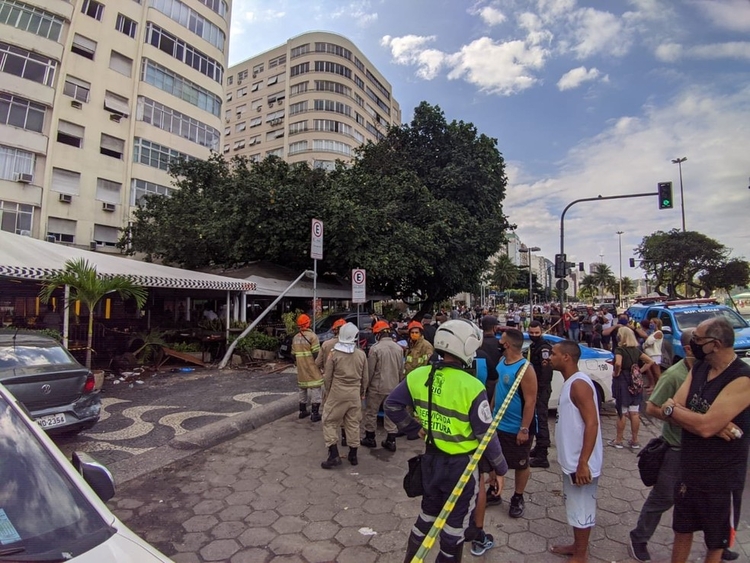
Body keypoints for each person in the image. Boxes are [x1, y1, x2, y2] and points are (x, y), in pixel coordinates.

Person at [385, 319, 508, 563]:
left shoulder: (419, 375)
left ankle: (411, 558)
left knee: (427, 515)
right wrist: (500, 468)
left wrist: (414, 428)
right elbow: (486, 434)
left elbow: (391, 405)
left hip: (430, 462)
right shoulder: (472, 386)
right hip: (462, 469)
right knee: (455, 526)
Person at [627, 329, 736, 562]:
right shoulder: (675, 376)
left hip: (708, 451)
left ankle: (718, 542)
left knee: (713, 501)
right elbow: (653, 408)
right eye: (697, 343)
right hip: (677, 448)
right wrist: (687, 419)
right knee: (664, 497)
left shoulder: (718, 374)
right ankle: (639, 537)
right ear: (689, 349)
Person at [661, 318, 750, 563]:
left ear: (716, 344)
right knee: (682, 529)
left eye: (698, 340)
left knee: (715, 541)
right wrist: (680, 413)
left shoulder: (742, 378)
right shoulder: (700, 367)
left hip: (721, 478)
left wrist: (684, 415)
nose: (693, 344)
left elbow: (704, 427)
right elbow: (669, 408)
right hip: (690, 470)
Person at [549, 339, 604, 563]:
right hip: (571, 460)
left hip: (581, 463)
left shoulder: (579, 385)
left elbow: (592, 424)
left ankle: (581, 555)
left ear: (566, 357)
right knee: (574, 506)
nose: (549, 357)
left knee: (582, 507)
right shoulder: (570, 382)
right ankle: (576, 546)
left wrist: (583, 462)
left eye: (553, 354)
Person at [492, 328, 537, 518]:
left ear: (507, 344)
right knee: (493, 460)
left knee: (520, 463)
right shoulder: (502, 361)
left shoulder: (525, 369)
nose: (498, 342)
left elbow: (531, 401)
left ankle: (518, 497)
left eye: (501, 340)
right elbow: (498, 387)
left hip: (516, 428)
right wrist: (491, 410)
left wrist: (524, 429)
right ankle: (495, 491)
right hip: (497, 424)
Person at [321, 323, 368, 469]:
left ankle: (334, 455)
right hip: (354, 394)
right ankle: (353, 455)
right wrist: (362, 393)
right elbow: (365, 378)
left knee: (328, 421)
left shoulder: (334, 354)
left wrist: (328, 393)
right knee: (353, 423)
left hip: (337, 392)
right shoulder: (361, 354)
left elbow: (327, 377)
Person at [361, 320, 404, 452]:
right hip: (394, 387)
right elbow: (401, 370)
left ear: (378, 334)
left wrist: (365, 388)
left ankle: (370, 438)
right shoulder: (399, 348)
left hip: (377, 387)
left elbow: (370, 371)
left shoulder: (375, 349)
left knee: (371, 413)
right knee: (390, 413)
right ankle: (391, 440)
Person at [609, 327, 653, 449]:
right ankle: (635, 440)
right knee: (634, 412)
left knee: (621, 411)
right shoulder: (636, 350)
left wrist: (616, 372)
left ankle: (618, 440)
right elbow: (650, 361)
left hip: (623, 380)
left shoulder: (620, 350)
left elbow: (618, 363)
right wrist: (639, 371)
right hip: (635, 381)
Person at [316, 318, 347, 445]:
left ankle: (332, 442)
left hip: (330, 383)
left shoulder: (326, 344)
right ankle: (345, 436)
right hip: (345, 384)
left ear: (334, 330)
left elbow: (317, 363)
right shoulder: (352, 346)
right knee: (345, 412)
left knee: (328, 413)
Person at [528, 321, 554, 468]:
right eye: (531, 333)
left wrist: (538, 390)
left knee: (540, 420)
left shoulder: (544, 348)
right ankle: (538, 447)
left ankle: (542, 456)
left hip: (540, 389)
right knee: (537, 419)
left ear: (541, 332)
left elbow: (545, 372)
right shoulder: (534, 346)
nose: (534, 335)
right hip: (535, 388)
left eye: (536, 333)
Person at [292, 314, 323, 422]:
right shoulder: (312, 336)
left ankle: (302, 411)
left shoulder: (295, 337)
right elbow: (316, 354)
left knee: (302, 388)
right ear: (308, 323)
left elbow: (293, 354)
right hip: (311, 366)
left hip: (301, 367)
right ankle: (315, 413)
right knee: (316, 387)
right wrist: (321, 366)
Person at [642, 317, 664, 387]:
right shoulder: (653, 333)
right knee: (651, 371)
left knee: (656, 372)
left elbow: (649, 342)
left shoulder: (658, 333)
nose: (650, 324)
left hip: (655, 355)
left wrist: (645, 344)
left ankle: (660, 387)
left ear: (656, 324)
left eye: (652, 323)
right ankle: (654, 386)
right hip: (650, 354)